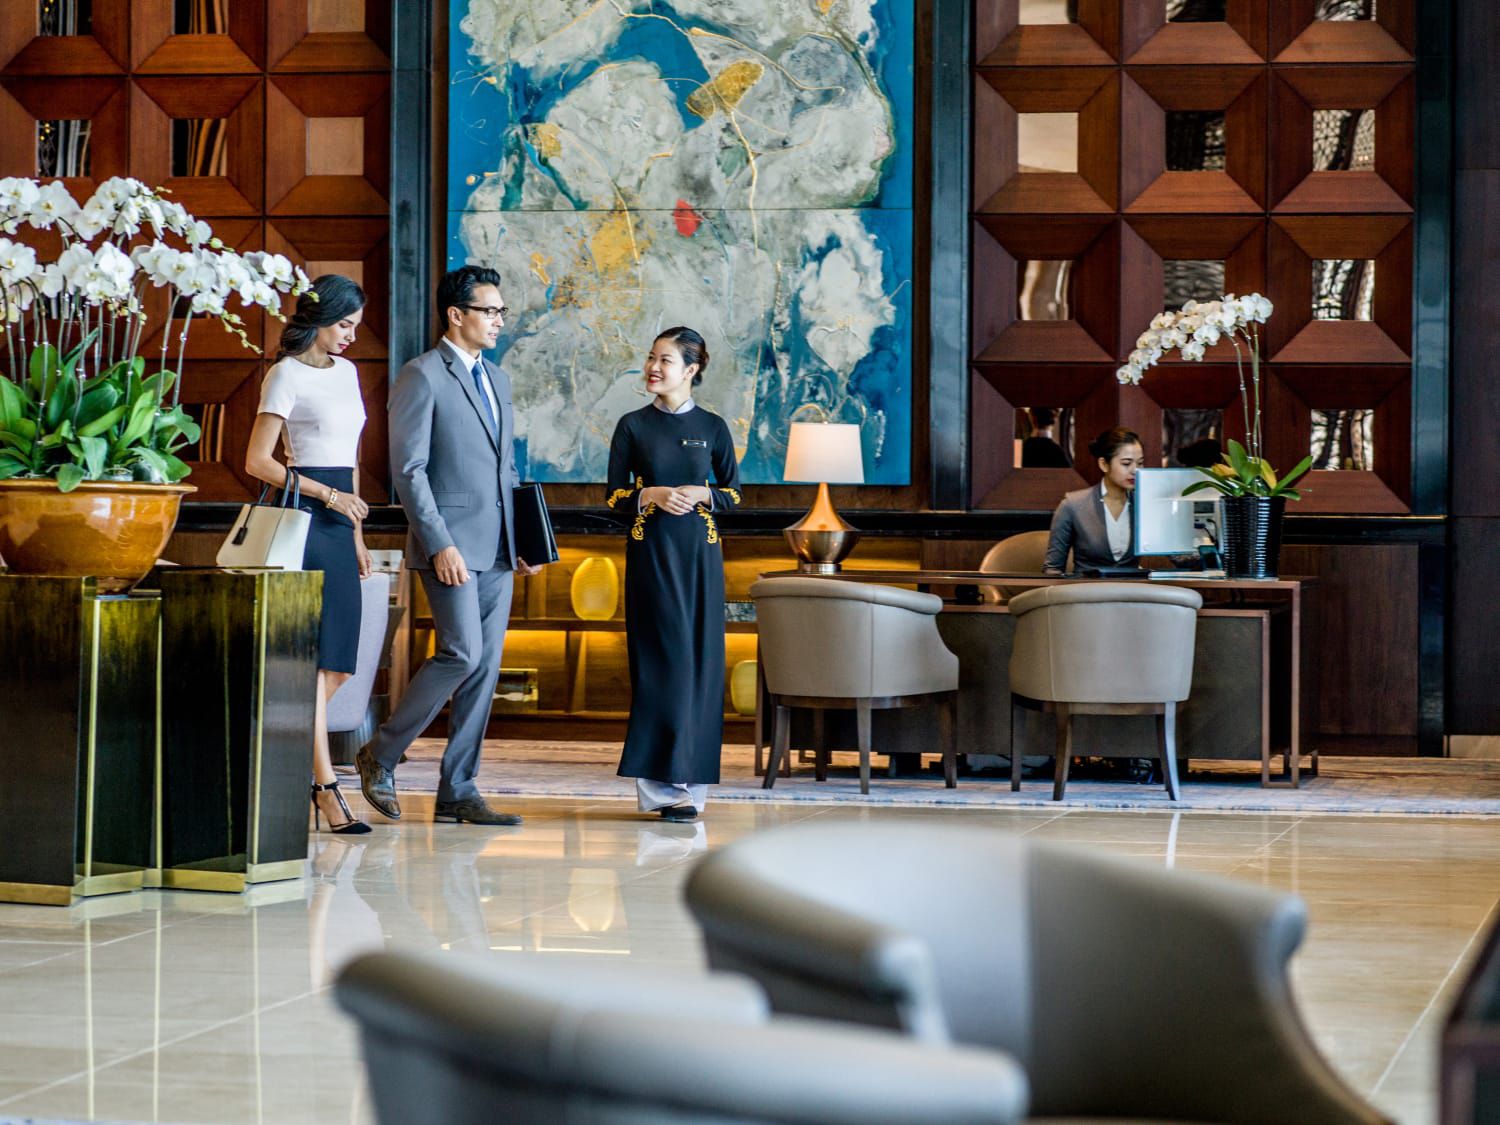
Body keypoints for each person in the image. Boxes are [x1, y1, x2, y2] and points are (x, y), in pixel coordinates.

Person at [355, 265, 543, 826]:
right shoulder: (422, 375)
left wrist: (521, 539)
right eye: (490, 310)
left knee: (484, 668)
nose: (499, 321)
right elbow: (409, 471)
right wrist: (439, 543)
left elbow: (505, 469)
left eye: (502, 311)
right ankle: (380, 753)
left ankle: (458, 789)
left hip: (499, 546)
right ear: (455, 314)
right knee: (460, 653)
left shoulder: (499, 379)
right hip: (450, 546)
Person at [245, 274, 373, 835]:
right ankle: (324, 787)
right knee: (317, 661)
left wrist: (357, 529)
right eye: (344, 325)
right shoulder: (284, 374)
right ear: (320, 321)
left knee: (339, 664)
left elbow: (352, 459)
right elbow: (258, 462)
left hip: (341, 520)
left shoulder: (349, 374)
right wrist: (326, 496)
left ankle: (288, 762)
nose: (350, 336)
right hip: (303, 517)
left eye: (355, 327)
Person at [604, 327, 741, 822]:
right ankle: (661, 790)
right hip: (651, 555)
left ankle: (691, 786)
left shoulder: (714, 427)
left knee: (699, 665)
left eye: (665, 360)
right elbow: (614, 497)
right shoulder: (632, 426)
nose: (653, 368)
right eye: (650, 359)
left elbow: (735, 494)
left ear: (692, 369)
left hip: (701, 559)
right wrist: (652, 495)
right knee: (662, 664)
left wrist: (703, 495)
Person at [1043, 426, 1144, 575]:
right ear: (1103, 464)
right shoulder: (1072, 505)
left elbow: (1179, 557)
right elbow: (1052, 568)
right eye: (1126, 463)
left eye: (1140, 463)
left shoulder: (1144, 505)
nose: (1135, 470)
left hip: (1133, 593)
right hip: (1087, 593)